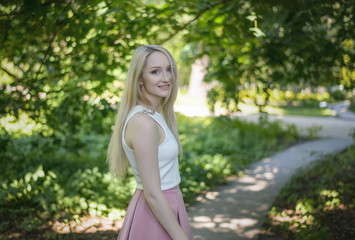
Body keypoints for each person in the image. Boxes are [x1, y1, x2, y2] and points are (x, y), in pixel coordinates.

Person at [107, 45, 192, 240]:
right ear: (139, 79)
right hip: (155, 214)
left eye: (169, 69)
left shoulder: (153, 115)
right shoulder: (143, 123)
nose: (166, 78)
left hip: (167, 207)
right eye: (155, 72)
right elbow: (152, 193)